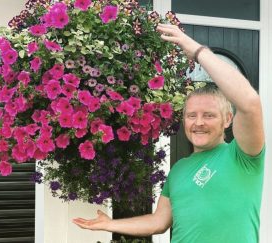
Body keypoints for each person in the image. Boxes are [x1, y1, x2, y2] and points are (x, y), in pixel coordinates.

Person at [73, 23, 265, 243]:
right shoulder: (179, 170)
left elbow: (249, 103)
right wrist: (109, 224)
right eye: (191, 115)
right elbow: (158, 222)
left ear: (227, 119)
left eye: (209, 115)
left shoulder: (243, 156)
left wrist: (198, 52)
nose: (198, 122)